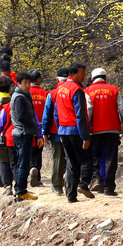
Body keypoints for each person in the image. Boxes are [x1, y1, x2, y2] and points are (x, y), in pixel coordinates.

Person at [54, 63, 94, 202]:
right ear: (74, 74)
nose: (84, 76)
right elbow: (80, 115)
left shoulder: (60, 89)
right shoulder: (76, 90)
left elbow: (56, 113)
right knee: (87, 159)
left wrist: (59, 129)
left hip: (63, 131)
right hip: (75, 130)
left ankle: (71, 196)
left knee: (71, 162)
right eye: (82, 73)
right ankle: (83, 184)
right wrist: (85, 136)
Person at [85, 67, 123, 196]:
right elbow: (122, 109)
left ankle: (96, 178)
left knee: (94, 156)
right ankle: (109, 187)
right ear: (106, 78)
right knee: (111, 158)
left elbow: (88, 110)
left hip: (94, 129)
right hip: (112, 129)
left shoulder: (87, 90)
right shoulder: (114, 89)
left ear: (92, 79)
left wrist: (86, 127)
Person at [9, 71, 42, 201]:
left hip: (24, 133)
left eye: (29, 82)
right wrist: (33, 125)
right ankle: (21, 192)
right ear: (18, 83)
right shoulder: (19, 97)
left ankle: (20, 191)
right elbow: (20, 116)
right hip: (23, 133)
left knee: (22, 164)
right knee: (23, 165)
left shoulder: (24, 95)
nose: (28, 85)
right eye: (25, 83)